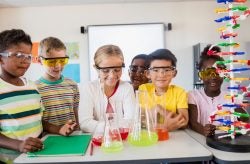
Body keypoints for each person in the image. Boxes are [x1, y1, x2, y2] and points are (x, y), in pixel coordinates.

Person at [0, 29, 76, 163]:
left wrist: (59, 129)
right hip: (11, 159)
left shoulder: (31, 86)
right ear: (1, 58)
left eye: (28, 56)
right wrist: (18, 145)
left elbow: (39, 120)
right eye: (18, 55)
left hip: (39, 154)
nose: (25, 61)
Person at [188, 44, 249, 137]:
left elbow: (246, 121)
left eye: (218, 72)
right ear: (200, 75)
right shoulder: (193, 96)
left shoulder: (231, 97)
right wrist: (203, 130)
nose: (213, 77)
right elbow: (193, 123)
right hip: (200, 144)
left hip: (225, 145)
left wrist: (241, 123)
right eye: (208, 72)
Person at [79, 44, 136, 133]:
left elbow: (132, 120)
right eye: (106, 70)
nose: (112, 75)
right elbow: (85, 123)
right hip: (97, 141)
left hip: (123, 141)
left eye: (117, 70)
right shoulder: (89, 88)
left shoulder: (127, 88)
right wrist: (114, 129)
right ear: (96, 69)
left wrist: (102, 127)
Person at [139, 49, 189, 132]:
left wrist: (160, 109)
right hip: (149, 135)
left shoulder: (179, 92)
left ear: (174, 73)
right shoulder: (143, 89)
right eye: (156, 70)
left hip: (175, 137)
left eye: (167, 70)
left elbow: (184, 122)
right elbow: (140, 118)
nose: (161, 74)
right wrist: (164, 127)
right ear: (147, 74)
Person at [36, 37, 80, 128]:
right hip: (48, 138)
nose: (58, 66)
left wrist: (78, 128)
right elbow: (37, 120)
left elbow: (76, 112)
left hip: (72, 136)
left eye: (62, 61)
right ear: (40, 60)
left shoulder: (72, 85)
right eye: (52, 61)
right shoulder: (35, 88)